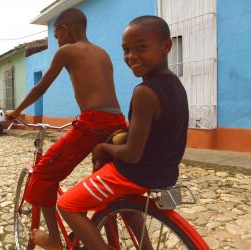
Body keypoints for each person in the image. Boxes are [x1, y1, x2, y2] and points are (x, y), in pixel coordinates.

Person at [57, 15, 189, 249]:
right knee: (120, 200)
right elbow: (158, 133)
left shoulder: (144, 92)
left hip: (135, 174)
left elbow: (132, 155)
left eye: (141, 48)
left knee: (67, 205)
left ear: (166, 46)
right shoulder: (175, 85)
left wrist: (103, 148)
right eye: (126, 50)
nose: (132, 57)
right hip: (165, 173)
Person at [7, 8, 127, 250]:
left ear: (64, 29)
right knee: (104, 185)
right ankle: (105, 236)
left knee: (42, 175)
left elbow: (41, 87)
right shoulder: (102, 53)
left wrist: (16, 111)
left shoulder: (67, 51)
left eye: (55, 35)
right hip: (117, 123)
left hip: (93, 123)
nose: (56, 40)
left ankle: (53, 239)